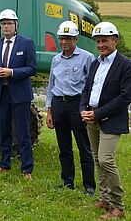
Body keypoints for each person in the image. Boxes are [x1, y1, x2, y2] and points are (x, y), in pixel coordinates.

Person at [80, 21, 130, 220]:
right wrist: (83, 109)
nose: (101, 45)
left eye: (105, 41)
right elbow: (86, 90)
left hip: (110, 120)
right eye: (98, 41)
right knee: (97, 159)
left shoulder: (126, 65)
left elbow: (126, 97)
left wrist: (98, 114)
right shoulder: (95, 63)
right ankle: (104, 198)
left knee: (106, 160)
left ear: (115, 41)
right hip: (91, 117)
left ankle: (118, 206)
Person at [45, 21, 96, 195]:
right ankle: (67, 181)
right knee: (64, 146)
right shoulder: (56, 59)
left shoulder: (87, 57)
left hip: (77, 104)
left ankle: (89, 185)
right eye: (61, 38)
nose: (64, 42)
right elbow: (51, 85)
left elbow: (91, 84)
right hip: (59, 104)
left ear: (76, 39)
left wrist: (88, 108)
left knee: (84, 146)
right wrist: (49, 110)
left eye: (68, 38)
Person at [0, 9, 37, 180]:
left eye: (9, 23)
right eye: (3, 24)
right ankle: (4, 164)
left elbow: (32, 68)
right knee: (3, 130)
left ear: (16, 25)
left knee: (23, 132)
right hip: (2, 93)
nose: (6, 27)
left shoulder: (26, 43)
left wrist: (12, 72)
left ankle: (27, 168)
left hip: (20, 94)